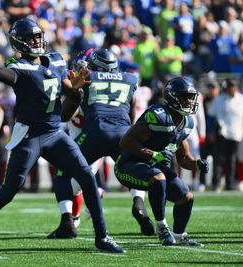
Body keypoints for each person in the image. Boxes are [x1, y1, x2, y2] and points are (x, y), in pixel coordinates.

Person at [0, 19, 125, 254]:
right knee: (8, 191)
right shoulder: (18, 66)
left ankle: (102, 237)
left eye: (37, 36)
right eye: (31, 38)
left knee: (86, 176)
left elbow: (67, 106)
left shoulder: (55, 60)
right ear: (19, 41)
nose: (36, 41)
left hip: (54, 133)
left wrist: (75, 92)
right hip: (30, 136)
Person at [48, 48, 153, 238]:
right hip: (119, 131)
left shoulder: (85, 81)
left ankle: (71, 219)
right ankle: (139, 202)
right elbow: (131, 113)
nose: (80, 69)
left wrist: (72, 90)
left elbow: (64, 115)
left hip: (89, 136)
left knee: (68, 178)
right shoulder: (127, 79)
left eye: (84, 66)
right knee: (134, 167)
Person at [114, 77, 209, 246]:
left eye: (190, 96)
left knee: (186, 197)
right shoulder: (157, 115)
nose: (189, 101)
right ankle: (162, 227)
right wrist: (152, 155)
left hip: (153, 168)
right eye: (184, 96)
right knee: (159, 177)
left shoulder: (187, 122)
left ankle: (179, 235)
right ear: (172, 97)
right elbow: (125, 142)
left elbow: (184, 158)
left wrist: (196, 164)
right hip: (128, 166)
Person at [208, 78, 243, 191]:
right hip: (222, 133)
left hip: (236, 134)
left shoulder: (241, 99)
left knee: (231, 160)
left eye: (232, 86)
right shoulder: (220, 99)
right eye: (229, 86)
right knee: (218, 159)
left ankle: (229, 183)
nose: (231, 88)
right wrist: (210, 131)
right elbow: (211, 114)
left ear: (236, 87)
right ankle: (216, 183)